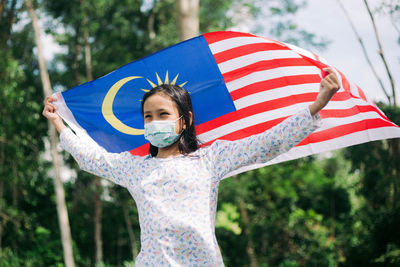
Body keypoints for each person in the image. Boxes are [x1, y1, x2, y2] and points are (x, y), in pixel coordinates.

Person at [43, 68, 340, 266]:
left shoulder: (210, 160)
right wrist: (58, 122)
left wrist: (315, 106)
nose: (154, 122)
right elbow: (93, 158)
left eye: (162, 114)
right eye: (148, 117)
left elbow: (266, 144)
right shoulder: (135, 168)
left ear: (183, 121)